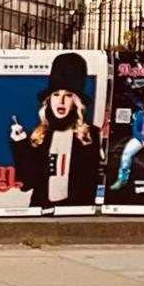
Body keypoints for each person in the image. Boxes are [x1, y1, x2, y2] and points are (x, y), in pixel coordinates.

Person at [8, 52, 99, 210]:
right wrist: (20, 144)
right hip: (42, 211)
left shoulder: (89, 135)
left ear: (76, 102)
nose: (61, 101)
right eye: (56, 95)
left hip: (75, 213)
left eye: (68, 95)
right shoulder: (40, 135)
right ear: (48, 101)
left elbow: (88, 182)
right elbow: (27, 181)